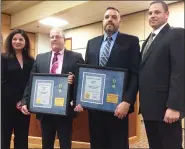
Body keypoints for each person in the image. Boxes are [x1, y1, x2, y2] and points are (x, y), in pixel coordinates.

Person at [75, 7, 141, 149]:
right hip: (94, 107)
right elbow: (87, 73)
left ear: (119, 21)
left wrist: (127, 101)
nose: (109, 19)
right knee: (97, 143)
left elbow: (135, 74)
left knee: (118, 144)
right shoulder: (91, 43)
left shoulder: (131, 41)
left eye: (113, 17)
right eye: (106, 17)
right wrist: (81, 99)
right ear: (102, 21)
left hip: (118, 107)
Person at [21, 27, 84, 149]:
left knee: (65, 144)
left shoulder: (76, 57)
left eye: (58, 36)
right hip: (45, 110)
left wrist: (75, 80)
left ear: (63, 39)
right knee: (46, 144)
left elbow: (82, 80)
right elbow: (31, 81)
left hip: (65, 110)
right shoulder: (40, 58)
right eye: (52, 37)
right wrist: (25, 101)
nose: (54, 39)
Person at [139, 1, 184, 149]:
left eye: (157, 12)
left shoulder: (176, 34)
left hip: (166, 110)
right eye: (150, 13)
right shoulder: (147, 41)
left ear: (167, 14)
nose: (152, 16)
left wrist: (174, 106)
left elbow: (179, 71)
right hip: (150, 109)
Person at [1, 29, 34, 149]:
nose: (17, 41)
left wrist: (23, 101)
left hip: (24, 106)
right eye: (14, 39)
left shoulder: (31, 61)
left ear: (25, 42)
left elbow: (31, 82)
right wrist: (15, 101)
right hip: (5, 105)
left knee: (22, 136)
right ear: (10, 41)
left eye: (21, 39)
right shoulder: (3, 58)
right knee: (4, 136)